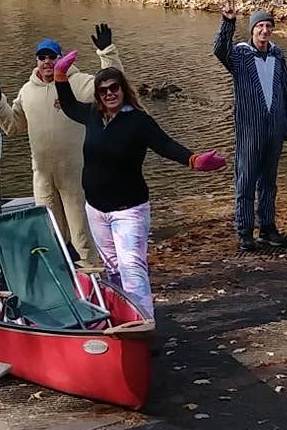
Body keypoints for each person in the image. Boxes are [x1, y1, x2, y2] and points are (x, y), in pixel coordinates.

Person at [53, 56, 226, 320]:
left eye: (114, 88)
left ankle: (144, 324)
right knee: (112, 270)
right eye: (104, 90)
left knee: (132, 268)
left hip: (129, 210)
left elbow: (166, 145)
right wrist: (59, 76)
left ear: (123, 89)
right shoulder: (92, 115)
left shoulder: (138, 122)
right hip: (97, 209)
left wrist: (193, 160)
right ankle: (123, 319)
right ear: (98, 95)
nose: (110, 93)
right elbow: (68, 105)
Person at [4, 27, 119, 269]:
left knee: (81, 233)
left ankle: (93, 277)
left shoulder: (77, 83)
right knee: (50, 232)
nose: (47, 62)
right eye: (42, 57)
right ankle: (63, 279)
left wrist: (106, 51)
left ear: (60, 58)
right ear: (37, 60)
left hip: (75, 173)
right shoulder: (27, 90)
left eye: (52, 57)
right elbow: (13, 127)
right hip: (43, 175)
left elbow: (112, 83)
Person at [214, 7, 287, 253]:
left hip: (275, 128)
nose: (264, 30)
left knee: (269, 182)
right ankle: (245, 230)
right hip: (250, 129)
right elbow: (219, 50)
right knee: (246, 180)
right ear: (252, 29)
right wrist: (228, 21)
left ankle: (268, 226)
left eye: (268, 26)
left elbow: (285, 92)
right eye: (260, 26)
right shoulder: (240, 54)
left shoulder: (278, 55)